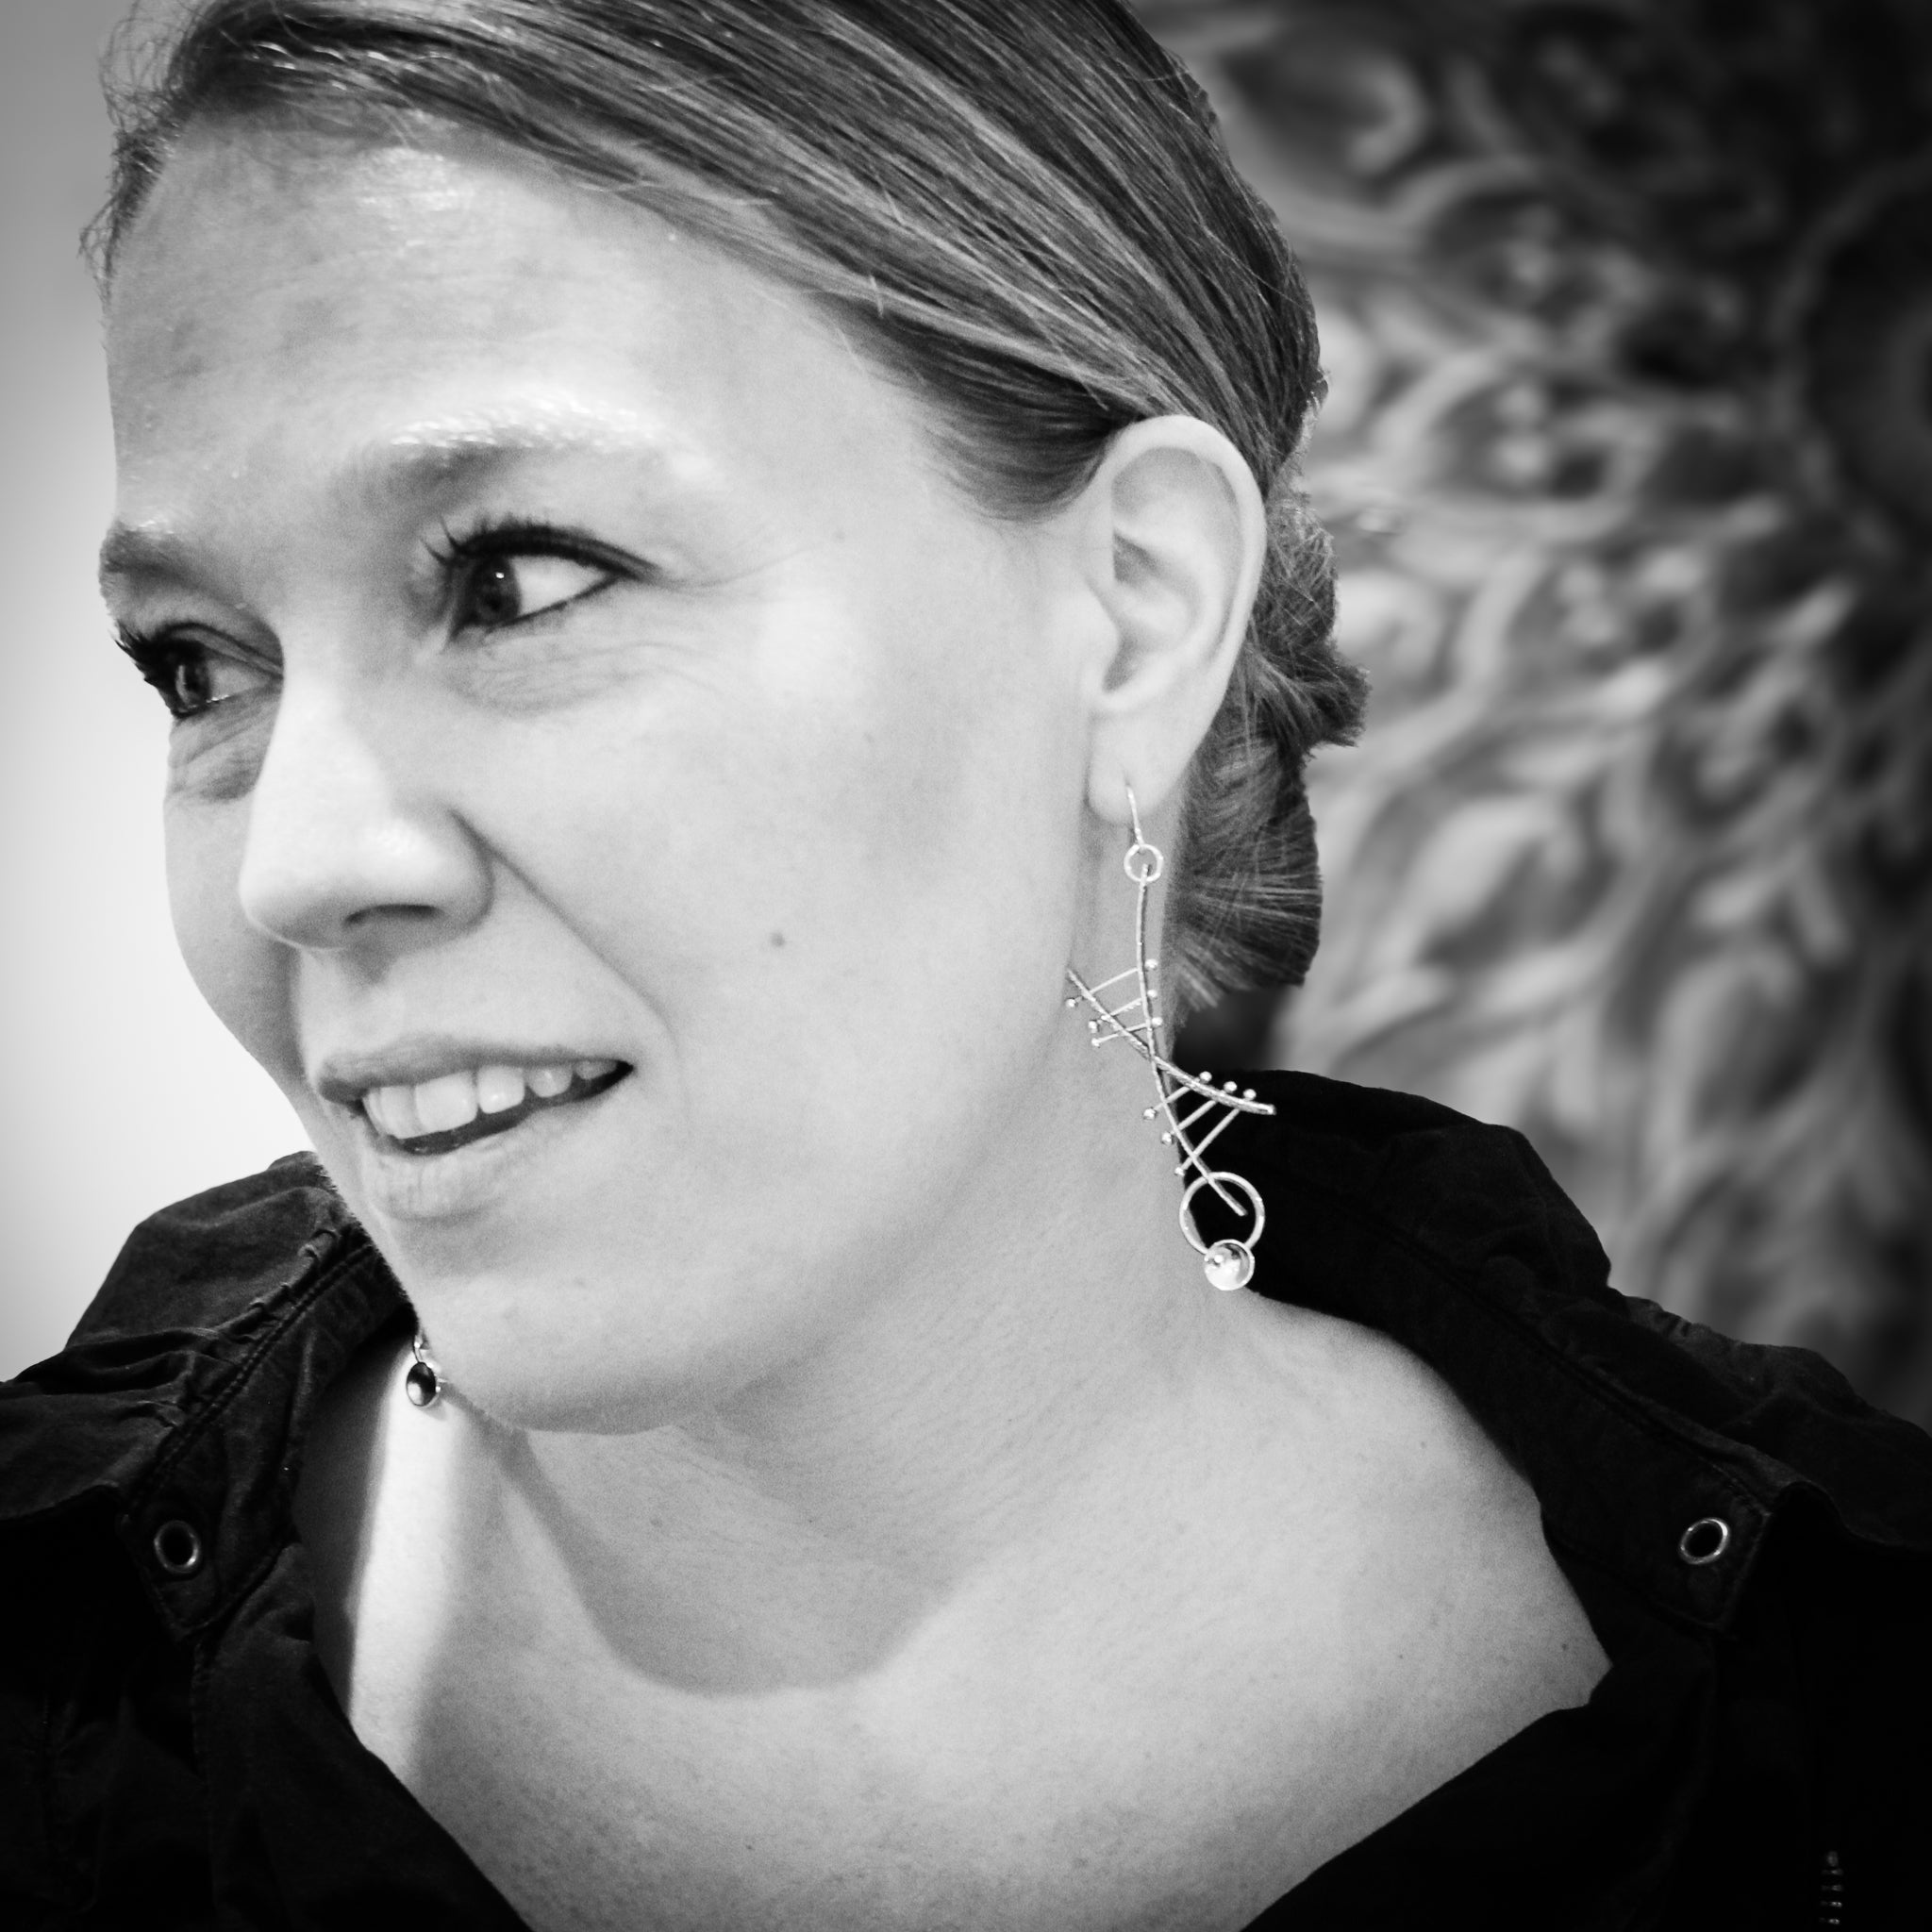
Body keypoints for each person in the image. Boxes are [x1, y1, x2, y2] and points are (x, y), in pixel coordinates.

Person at [3, 1, 1928, 1926]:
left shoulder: (1848, 1706)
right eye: (199, 662)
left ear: (1135, 610)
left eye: (513, 578)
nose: (300, 862)